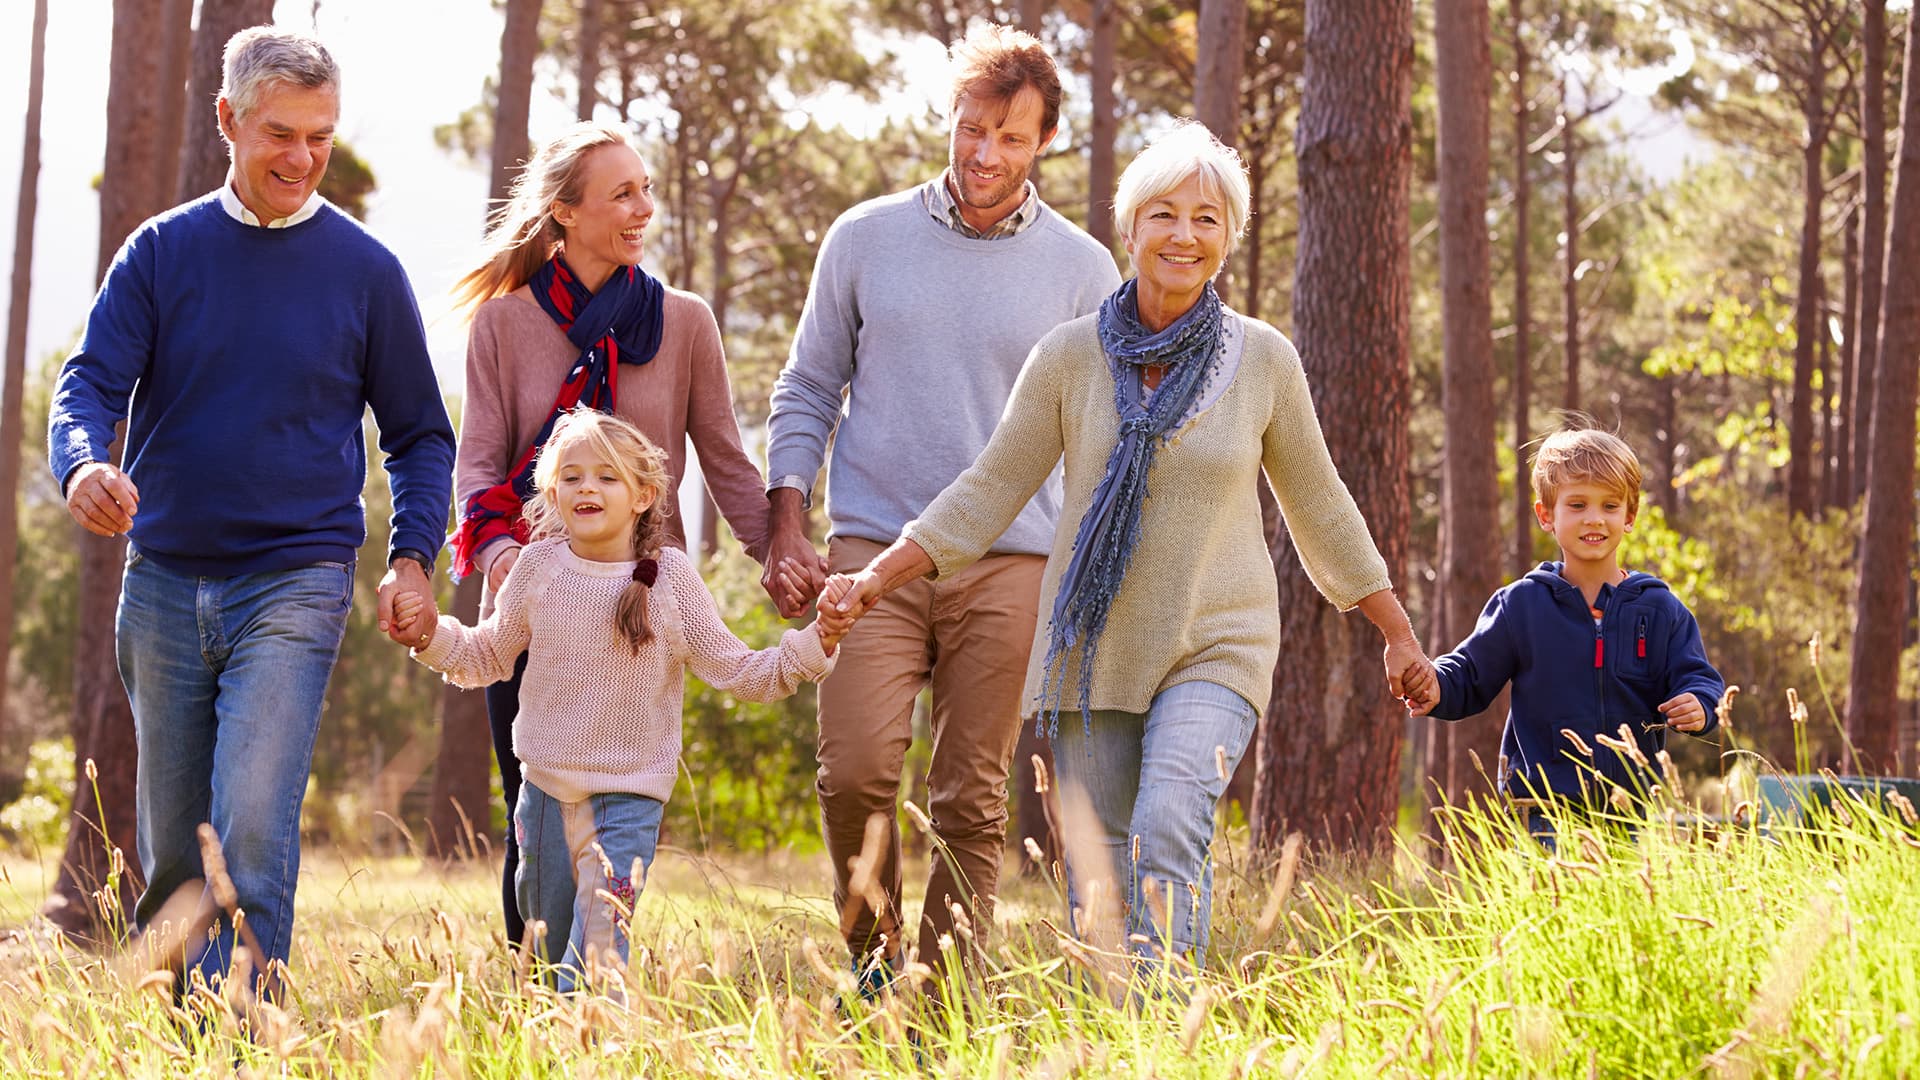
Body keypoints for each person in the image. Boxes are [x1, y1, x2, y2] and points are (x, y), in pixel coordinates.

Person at [821, 121, 1435, 970]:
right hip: (1095, 648)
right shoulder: (1069, 358)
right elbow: (990, 489)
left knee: (1168, 823)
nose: (1184, 235)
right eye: (1164, 214)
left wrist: (1395, 630)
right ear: (1131, 227)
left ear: (1229, 237)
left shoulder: (1263, 360)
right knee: (1101, 871)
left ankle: (1162, 1035)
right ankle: (1122, 1038)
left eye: (1207, 219)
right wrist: (876, 575)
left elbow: (1321, 505)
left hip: (1218, 641)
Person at [46, 28, 455, 995]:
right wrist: (78, 468)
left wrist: (410, 557)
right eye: (280, 133)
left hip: (298, 578)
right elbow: (88, 385)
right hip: (163, 586)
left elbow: (420, 434)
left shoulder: (366, 272)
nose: (302, 158)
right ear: (228, 120)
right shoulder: (161, 252)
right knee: (178, 842)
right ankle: (186, 1029)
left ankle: (246, 1034)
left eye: (320, 137)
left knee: (255, 824)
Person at [762, 24, 1121, 984]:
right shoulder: (865, 237)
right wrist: (786, 521)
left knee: (970, 797)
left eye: (1009, 137)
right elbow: (807, 387)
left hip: (1012, 560)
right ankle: (873, 970)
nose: (984, 155)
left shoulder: (1085, 272)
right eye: (970, 130)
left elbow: (1101, 435)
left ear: (1044, 140)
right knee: (856, 772)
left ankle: (946, 995)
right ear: (950, 121)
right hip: (870, 553)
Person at [448, 121, 780, 947]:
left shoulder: (686, 322)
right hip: (537, 601)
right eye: (622, 193)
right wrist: (505, 566)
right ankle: (531, 996)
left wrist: (778, 555)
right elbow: (479, 466)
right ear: (564, 212)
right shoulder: (501, 325)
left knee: (622, 814)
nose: (644, 209)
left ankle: (596, 983)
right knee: (532, 811)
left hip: (640, 602)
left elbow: (728, 460)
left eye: (647, 189)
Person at [390, 411, 846, 991]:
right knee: (551, 955)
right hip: (545, 799)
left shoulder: (670, 581)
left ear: (643, 495)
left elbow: (742, 672)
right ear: (552, 492)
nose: (587, 488)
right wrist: (430, 636)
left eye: (607, 477)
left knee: (598, 957)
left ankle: (595, 1052)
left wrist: (818, 641)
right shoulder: (537, 568)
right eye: (572, 477)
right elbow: (486, 656)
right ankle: (557, 1052)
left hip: (627, 804)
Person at [1412, 426, 1725, 845]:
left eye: (1609, 505)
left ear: (1629, 516)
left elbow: (1698, 677)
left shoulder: (1660, 609)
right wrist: (1434, 685)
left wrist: (1701, 707)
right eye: (1577, 505)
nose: (1594, 518)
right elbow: (1469, 673)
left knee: (1625, 910)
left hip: (1629, 812)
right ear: (1546, 515)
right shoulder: (1521, 605)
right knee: (1554, 909)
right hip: (1544, 810)